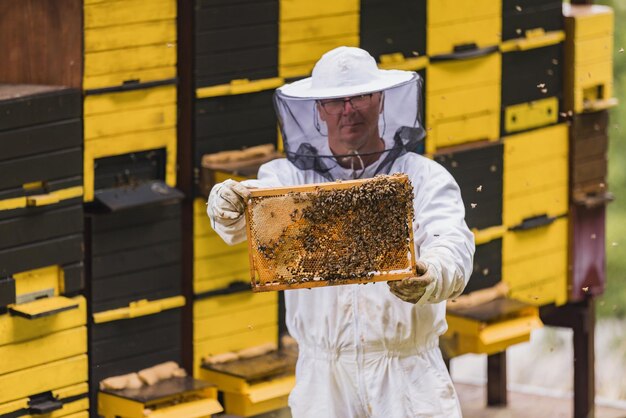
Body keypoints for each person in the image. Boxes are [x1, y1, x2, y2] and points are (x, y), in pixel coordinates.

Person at [207, 46, 475, 418]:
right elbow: (237, 222)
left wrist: (429, 275)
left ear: (380, 100)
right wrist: (224, 201)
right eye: (336, 100)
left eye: (360, 96)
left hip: (407, 375)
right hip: (324, 378)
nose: (348, 110)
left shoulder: (424, 177)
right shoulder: (289, 179)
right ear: (319, 109)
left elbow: (453, 246)